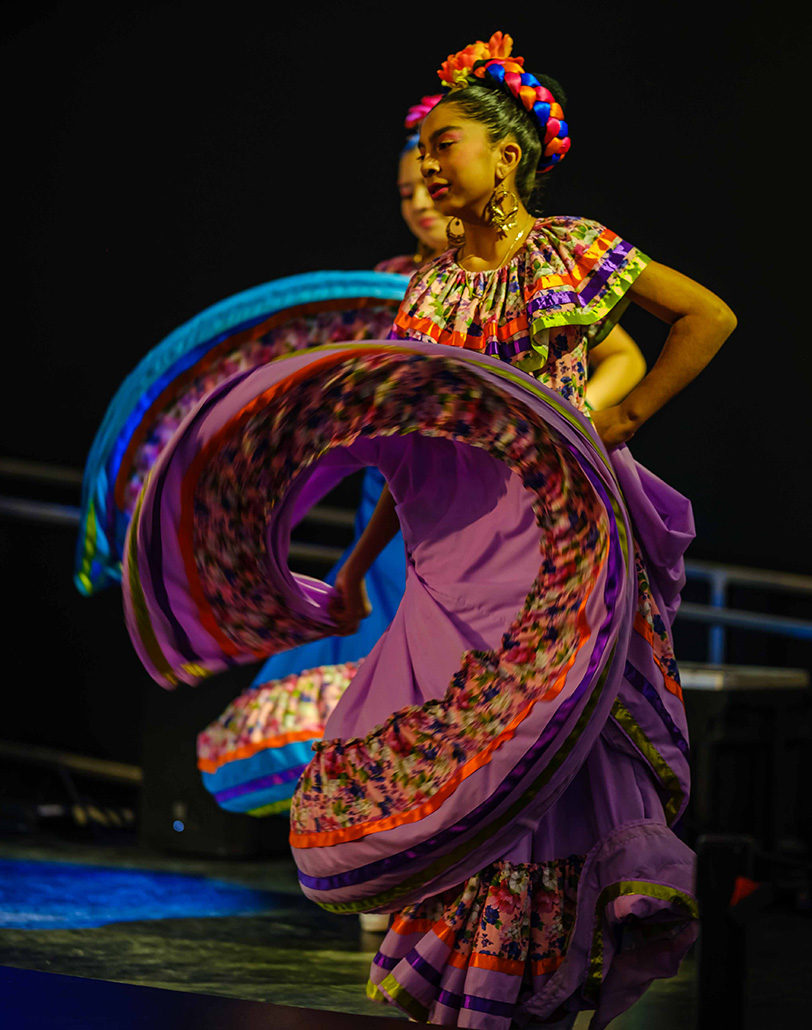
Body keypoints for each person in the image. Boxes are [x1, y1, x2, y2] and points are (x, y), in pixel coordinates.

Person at [123, 32, 735, 1027]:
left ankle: (549, 962)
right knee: (474, 755)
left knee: (551, 744)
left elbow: (705, 317)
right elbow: (401, 434)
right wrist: (355, 562)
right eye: (426, 150)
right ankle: (491, 981)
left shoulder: (570, 248)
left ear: (505, 157)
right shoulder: (432, 287)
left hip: (563, 536)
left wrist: (615, 420)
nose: (429, 167)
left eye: (444, 144)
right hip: (457, 551)